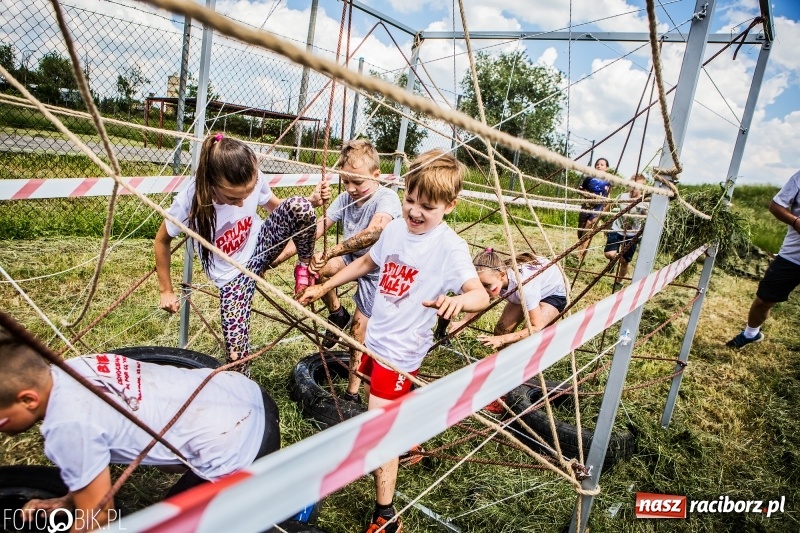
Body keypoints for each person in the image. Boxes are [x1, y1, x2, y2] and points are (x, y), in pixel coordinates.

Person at [297, 149, 489, 533]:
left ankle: (386, 516)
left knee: (379, 434)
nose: (415, 212)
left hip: (401, 353)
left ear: (450, 206)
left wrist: (457, 301)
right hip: (377, 339)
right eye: (410, 201)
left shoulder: (449, 247)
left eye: (428, 207)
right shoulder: (397, 229)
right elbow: (370, 263)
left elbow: (480, 295)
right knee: (377, 403)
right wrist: (327, 286)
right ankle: (409, 443)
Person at [0, 340, 279, 530]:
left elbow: (99, 517)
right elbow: (89, 454)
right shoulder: (71, 367)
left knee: (166, 527)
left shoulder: (65, 427)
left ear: (28, 400)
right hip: (244, 394)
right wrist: (69, 500)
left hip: (243, 449)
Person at [154, 133, 329, 371]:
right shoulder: (191, 199)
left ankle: (303, 267)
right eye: (233, 198)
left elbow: (275, 207)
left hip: (261, 247)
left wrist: (311, 202)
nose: (241, 203)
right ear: (211, 183)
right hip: (233, 277)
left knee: (300, 207)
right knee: (236, 357)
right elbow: (162, 241)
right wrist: (166, 290)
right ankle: (243, 389)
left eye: (247, 195)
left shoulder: (253, 179)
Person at [303, 140, 402, 402]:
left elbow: (374, 232)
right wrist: (288, 253)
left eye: (357, 183)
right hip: (351, 258)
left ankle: (352, 394)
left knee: (359, 331)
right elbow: (322, 224)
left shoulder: (387, 198)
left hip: (378, 270)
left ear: (376, 175)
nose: (350, 189)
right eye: (345, 182)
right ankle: (337, 313)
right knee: (319, 267)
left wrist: (333, 250)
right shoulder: (346, 197)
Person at [726, 170, 800, 349]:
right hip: (792, 256)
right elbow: (776, 205)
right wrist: (796, 222)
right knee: (763, 300)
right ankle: (751, 334)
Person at [450, 249, 567, 350]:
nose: (484, 290)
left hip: (550, 295)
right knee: (501, 330)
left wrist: (502, 340)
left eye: (486, 285)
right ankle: (506, 365)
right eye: (480, 286)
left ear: (501, 275)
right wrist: (464, 322)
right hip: (523, 294)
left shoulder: (525, 287)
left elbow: (537, 327)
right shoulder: (496, 280)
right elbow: (483, 299)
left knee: (528, 339)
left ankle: (525, 370)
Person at [603, 173, 649, 284]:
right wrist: (601, 215)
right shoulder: (622, 196)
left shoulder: (644, 202)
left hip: (632, 234)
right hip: (617, 229)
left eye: (637, 186)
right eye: (632, 185)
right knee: (609, 254)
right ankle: (613, 261)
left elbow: (647, 216)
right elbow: (611, 205)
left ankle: (619, 282)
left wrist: (644, 212)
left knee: (625, 261)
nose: (634, 188)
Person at [576, 157, 612, 261]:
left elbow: (608, 195)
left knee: (589, 226)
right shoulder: (589, 178)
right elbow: (580, 190)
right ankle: (581, 248)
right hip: (586, 206)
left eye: (602, 164)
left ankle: (580, 254)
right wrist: (587, 195)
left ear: (607, 168)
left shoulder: (609, 181)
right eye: (597, 164)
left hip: (598, 208)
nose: (599, 166)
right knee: (581, 232)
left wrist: (606, 207)